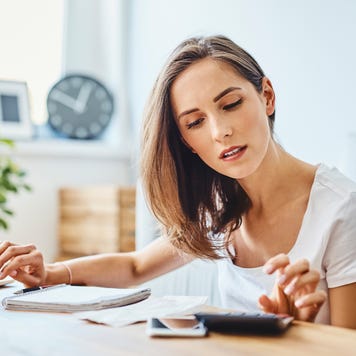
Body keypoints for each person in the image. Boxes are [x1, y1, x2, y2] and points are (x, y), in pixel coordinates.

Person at [0, 35, 355, 328]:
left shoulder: (340, 207)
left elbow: (346, 344)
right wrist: (50, 272)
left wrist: (299, 329)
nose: (221, 132)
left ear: (267, 96)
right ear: (186, 141)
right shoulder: (220, 205)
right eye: (195, 122)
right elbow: (136, 267)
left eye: (231, 104)